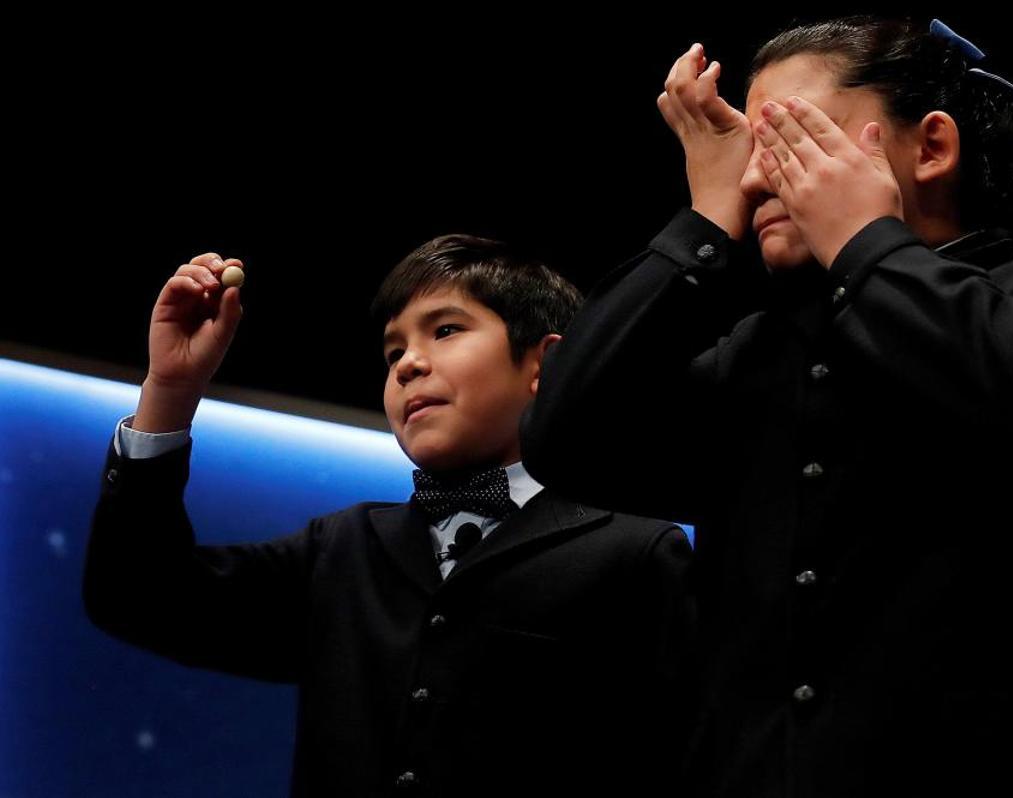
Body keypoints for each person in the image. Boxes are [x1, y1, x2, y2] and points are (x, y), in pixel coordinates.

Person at [522, 16, 1013, 797]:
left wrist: (866, 239)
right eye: (749, 158)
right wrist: (702, 227)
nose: (758, 181)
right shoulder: (762, 348)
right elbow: (567, 440)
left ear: (931, 148)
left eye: (792, 139)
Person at [84, 235, 695, 798]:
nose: (407, 364)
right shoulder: (342, 547)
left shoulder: (636, 553)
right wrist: (170, 388)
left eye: (446, 330)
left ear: (545, 365)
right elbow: (137, 595)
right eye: (394, 349)